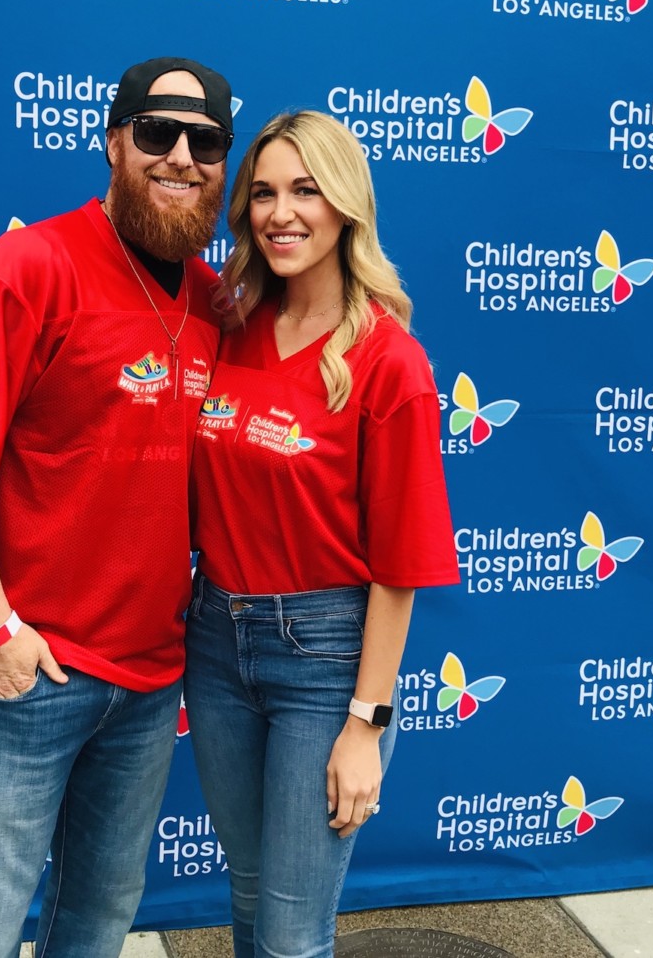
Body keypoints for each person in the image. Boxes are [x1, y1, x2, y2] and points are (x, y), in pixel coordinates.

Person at [0, 57, 235, 958]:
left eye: (205, 142)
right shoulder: (26, 270)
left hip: (148, 673)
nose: (180, 156)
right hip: (26, 669)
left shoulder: (218, 303)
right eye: (156, 133)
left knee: (98, 918)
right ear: (113, 143)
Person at [186, 110, 457, 958]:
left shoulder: (386, 361)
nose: (281, 213)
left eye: (306, 190)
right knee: (248, 891)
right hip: (215, 639)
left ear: (346, 207)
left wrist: (365, 726)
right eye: (262, 193)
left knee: (295, 931)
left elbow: (401, 564)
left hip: (324, 658)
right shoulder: (229, 327)